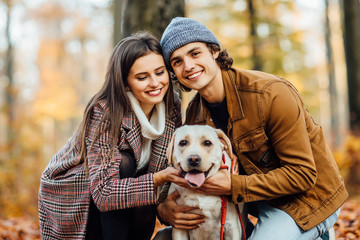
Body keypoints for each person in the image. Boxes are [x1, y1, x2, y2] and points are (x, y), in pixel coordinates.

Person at [155, 17, 348, 240]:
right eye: (177, 62)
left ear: (214, 51)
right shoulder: (194, 114)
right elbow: (186, 167)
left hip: (309, 199)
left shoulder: (271, 94)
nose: (188, 66)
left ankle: (317, 232)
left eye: (195, 53)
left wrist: (233, 184)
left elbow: (303, 175)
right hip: (253, 200)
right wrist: (164, 208)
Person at [38, 31, 183, 240]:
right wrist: (158, 179)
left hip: (130, 188)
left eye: (159, 72)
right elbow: (104, 192)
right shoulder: (106, 112)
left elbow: (172, 161)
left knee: (144, 184)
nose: (155, 83)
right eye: (142, 77)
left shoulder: (172, 105)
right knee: (125, 163)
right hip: (80, 191)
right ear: (125, 83)